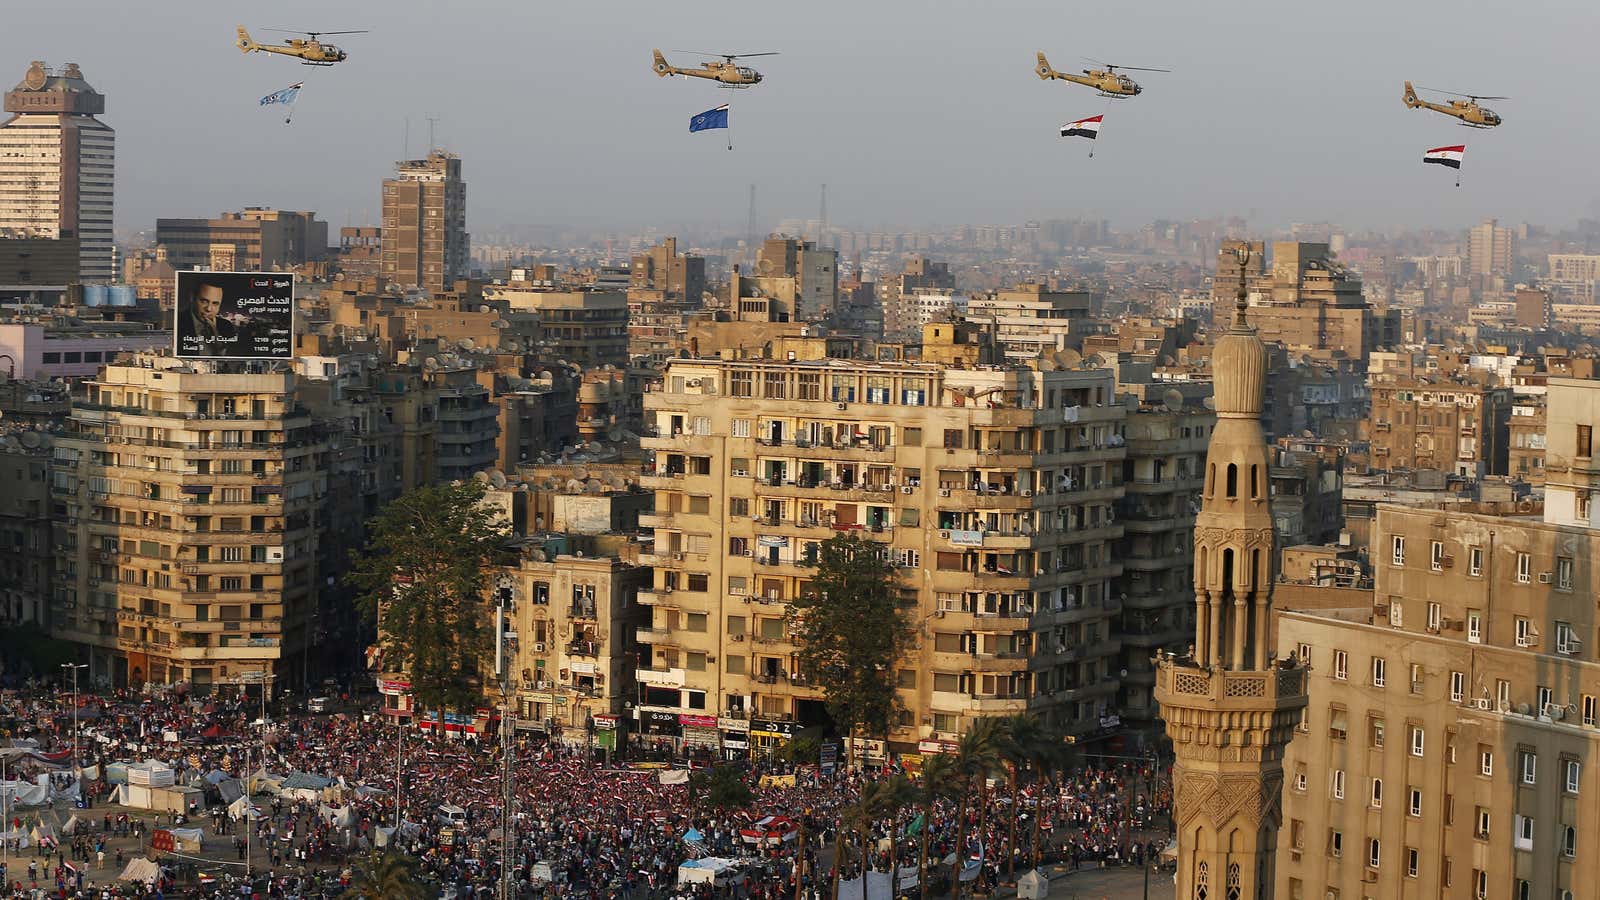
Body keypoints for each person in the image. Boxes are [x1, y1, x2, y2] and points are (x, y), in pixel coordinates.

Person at [176, 281, 237, 349]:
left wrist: (216, 336)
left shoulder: (227, 326)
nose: (209, 309)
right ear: (192, 297)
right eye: (204, 301)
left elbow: (232, 354)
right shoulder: (178, 321)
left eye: (215, 303)